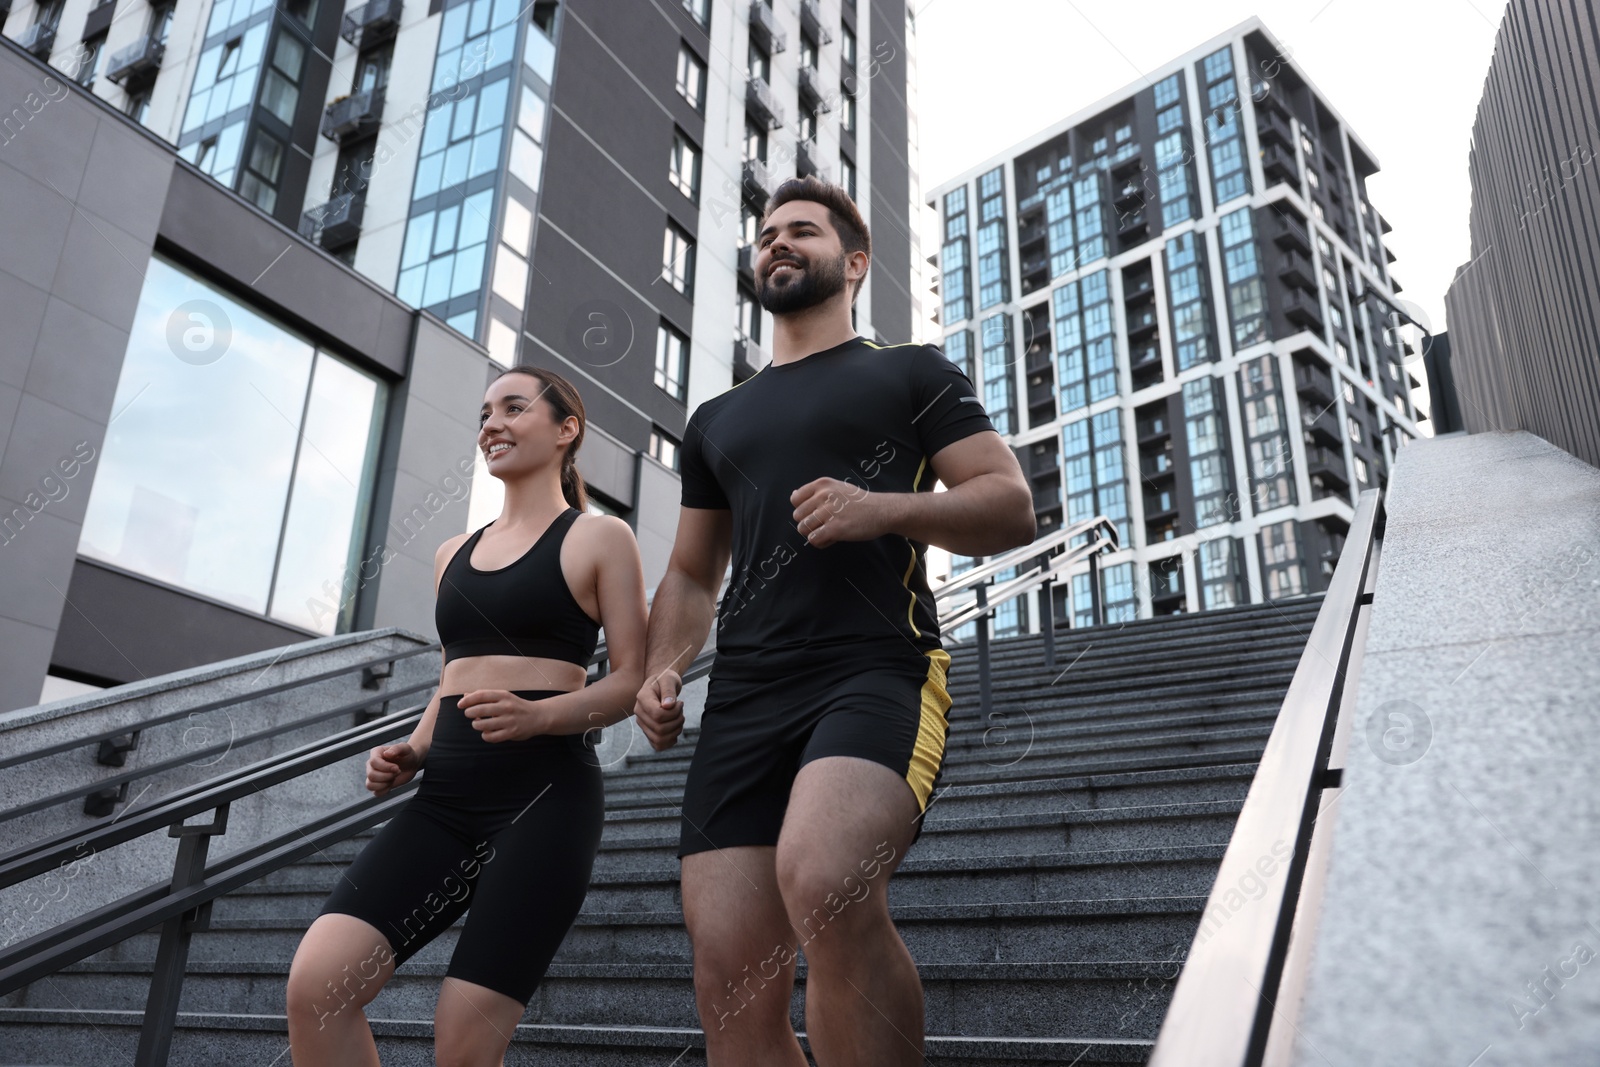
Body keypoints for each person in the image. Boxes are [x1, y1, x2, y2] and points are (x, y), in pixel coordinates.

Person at [634, 176, 1037, 1067]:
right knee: (727, 973)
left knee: (823, 877)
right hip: (744, 695)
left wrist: (883, 508)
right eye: (767, 233)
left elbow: (1009, 506)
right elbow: (693, 572)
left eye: (801, 231)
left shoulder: (912, 370)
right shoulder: (716, 419)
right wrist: (663, 668)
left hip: (876, 667)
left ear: (854, 263)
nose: (776, 242)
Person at [286, 366, 646, 1067]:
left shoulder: (601, 538)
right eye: (485, 411)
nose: (492, 423)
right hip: (445, 800)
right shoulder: (452, 552)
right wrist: (415, 748)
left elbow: (629, 681)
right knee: (317, 986)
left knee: (463, 1040)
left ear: (566, 429)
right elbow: (454, 674)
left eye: (514, 407)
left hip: (545, 803)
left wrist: (540, 718)